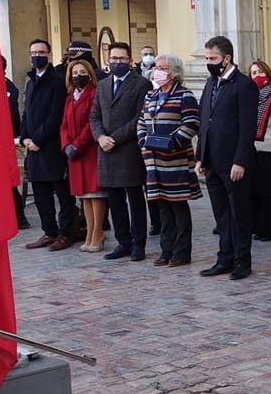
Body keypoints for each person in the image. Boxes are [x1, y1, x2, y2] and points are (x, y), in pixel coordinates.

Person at [196, 36, 257, 281]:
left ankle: (243, 261)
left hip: (233, 161)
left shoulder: (244, 85)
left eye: (213, 59)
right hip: (211, 159)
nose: (209, 63)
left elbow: (247, 127)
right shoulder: (211, 83)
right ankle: (225, 257)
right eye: (207, 58)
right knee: (221, 214)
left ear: (227, 58)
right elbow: (204, 122)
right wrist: (200, 156)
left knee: (238, 213)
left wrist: (240, 160)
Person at [91, 41, 152, 262]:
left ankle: (138, 243)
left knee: (135, 198)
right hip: (106, 151)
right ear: (108, 61)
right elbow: (94, 116)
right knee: (115, 200)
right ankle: (122, 242)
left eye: (121, 59)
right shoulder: (103, 85)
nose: (117, 63)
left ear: (130, 60)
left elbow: (140, 118)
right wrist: (100, 137)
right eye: (113, 59)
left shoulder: (141, 84)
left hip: (128, 150)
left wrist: (114, 138)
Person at [140, 55, 201, 267]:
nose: (158, 71)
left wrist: (171, 143)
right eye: (156, 68)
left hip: (174, 160)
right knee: (162, 208)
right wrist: (143, 142)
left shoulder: (184, 95)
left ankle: (181, 252)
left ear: (173, 72)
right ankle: (166, 250)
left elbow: (192, 123)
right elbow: (141, 122)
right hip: (153, 162)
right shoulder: (151, 95)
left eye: (162, 68)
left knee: (178, 207)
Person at [20, 39, 76, 250]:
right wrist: (25, 137)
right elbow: (26, 112)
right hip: (32, 147)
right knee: (41, 193)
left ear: (49, 55)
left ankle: (65, 232)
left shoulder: (57, 81)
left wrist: (38, 139)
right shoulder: (30, 81)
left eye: (41, 52)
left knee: (62, 193)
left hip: (51, 146)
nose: (37, 56)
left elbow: (55, 115)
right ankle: (49, 231)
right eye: (33, 52)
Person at [60, 58, 105, 252]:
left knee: (96, 194)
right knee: (84, 196)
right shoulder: (70, 97)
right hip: (74, 154)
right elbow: (63, 125)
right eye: (75, 72)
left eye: (82, 72)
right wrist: (66, 145)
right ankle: (89, 233)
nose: (79, 75)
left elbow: (91, 123)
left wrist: (78, 144)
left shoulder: (94, 94)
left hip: (89, 150)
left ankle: (98, 232)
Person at [246, 59, 271, 240]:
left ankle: (270, 229)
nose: (257, 76)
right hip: (251, 148)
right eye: (253, 73)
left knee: (270, 191)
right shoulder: (248, 94)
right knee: (254, 190)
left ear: (268, 73)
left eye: (260, 72)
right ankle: (256, 225)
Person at [1, 54, 26, 231]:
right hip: (2, 138)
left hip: (3, 139)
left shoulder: (7, 87)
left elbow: (13, 115)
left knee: (7, 178)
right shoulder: (5, 85)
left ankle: (19, 215)